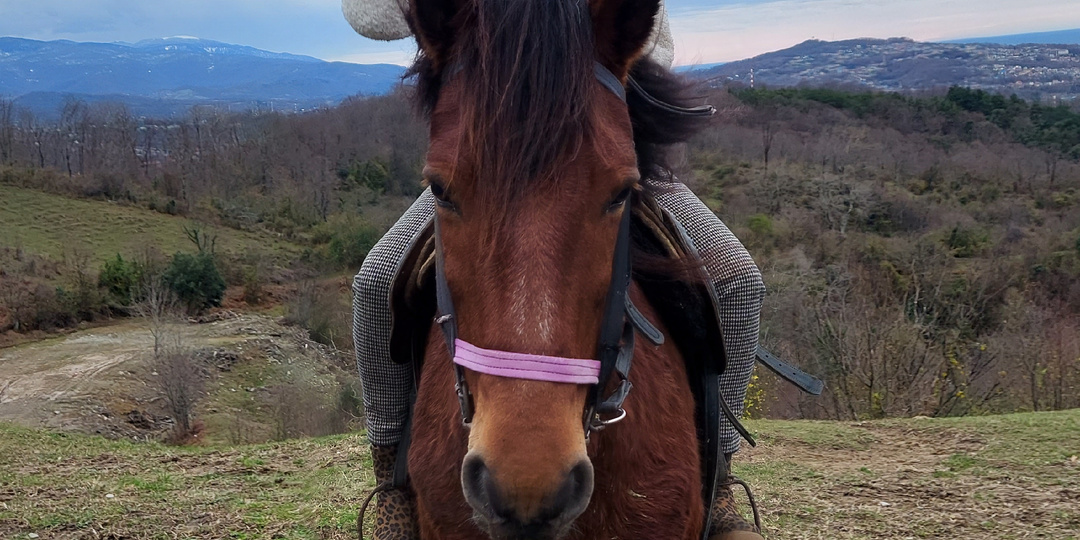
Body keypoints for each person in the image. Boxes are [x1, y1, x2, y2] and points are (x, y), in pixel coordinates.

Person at [344, 2, 765, 539]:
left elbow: (650, 35)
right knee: (377, 281)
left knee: (737, 278)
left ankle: (720, 478)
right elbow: (370, 17)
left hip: (597, 124)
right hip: (490, 138)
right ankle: (390, 476)